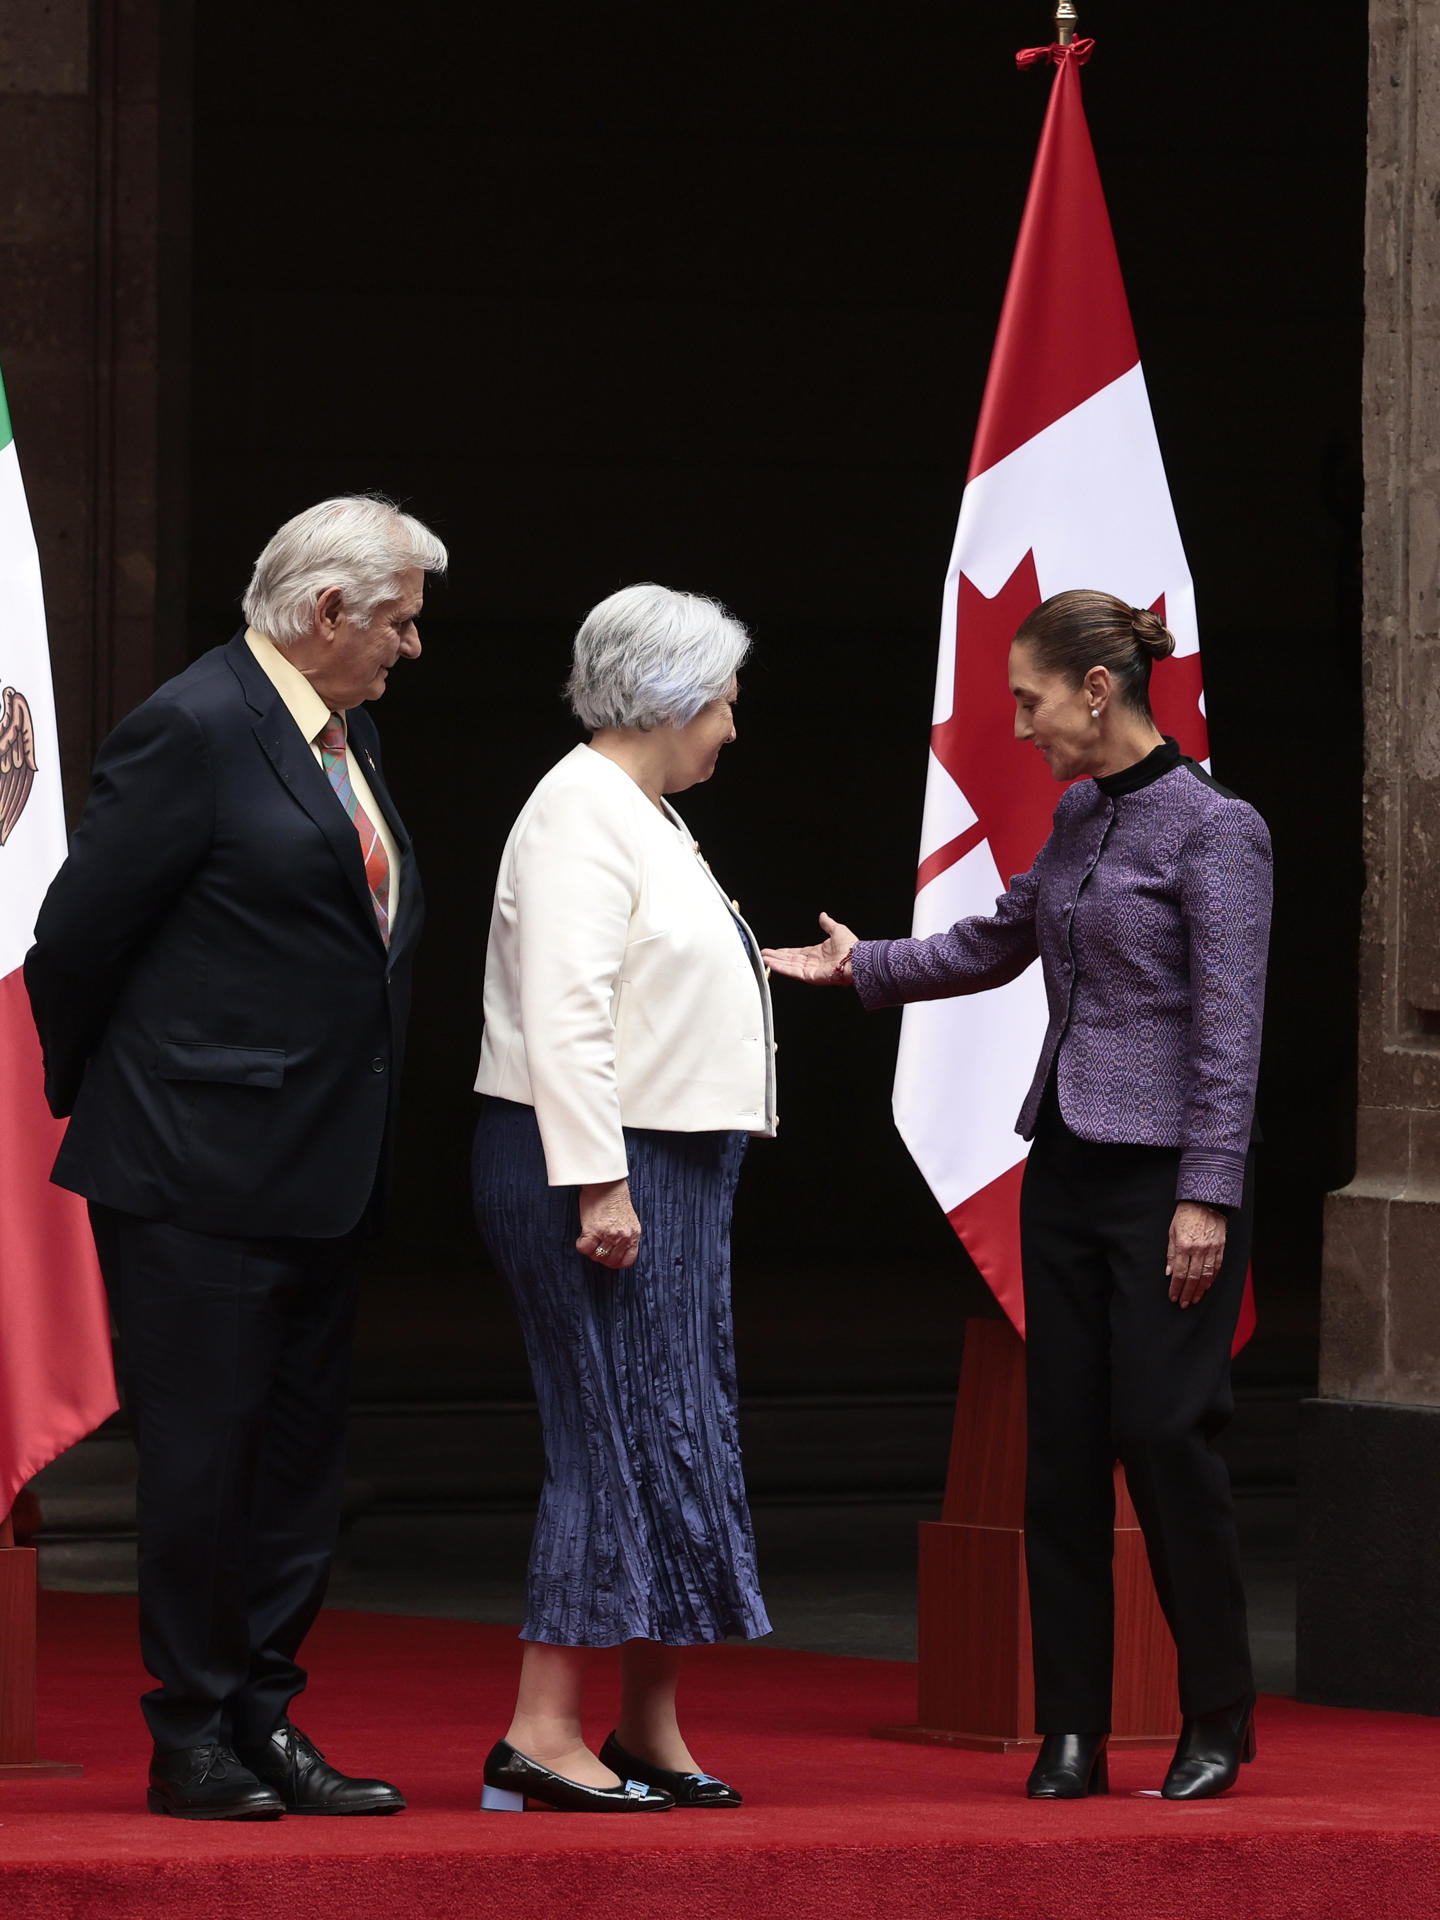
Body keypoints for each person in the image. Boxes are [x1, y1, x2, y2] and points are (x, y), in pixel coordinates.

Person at [763, 589, 1272, 1803]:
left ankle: (1216, 1716)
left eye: (1031, 702)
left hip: (1171, 1187)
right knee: (1061, 1459)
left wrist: (1207, 1195)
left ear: (1098, 691)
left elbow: (1230, 1033)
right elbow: (997, 938)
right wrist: (863, 966)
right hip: (1070, 1173)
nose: (1024, 726)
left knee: (1165, 1440)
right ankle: (1074, 1732)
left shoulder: (1219, 831)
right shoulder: (1080, 814)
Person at [25, 495, 447, 1820]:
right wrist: (131, 1098)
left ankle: (268, 1716)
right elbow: (76, 940)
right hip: (196, 1173)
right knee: (206, 1466)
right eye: (399, 621)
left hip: (324, 1165)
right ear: (328, 614)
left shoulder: (347, 729)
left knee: (296, 1465)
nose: (411, 647)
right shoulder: (195, 725)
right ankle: (189, 1731)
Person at [472, 582, 775, 1814]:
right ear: (671, 698)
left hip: (669, 1167)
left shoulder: (637, 810)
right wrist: (600, 1180)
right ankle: (541, 1732)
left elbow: (654, 980)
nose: (733, 729)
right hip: (599, 1169)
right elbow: (568, 1010)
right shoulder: (579, 812)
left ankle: (647, 1723)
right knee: (611, 1434)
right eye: (725, 703)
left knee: (677, 1436)